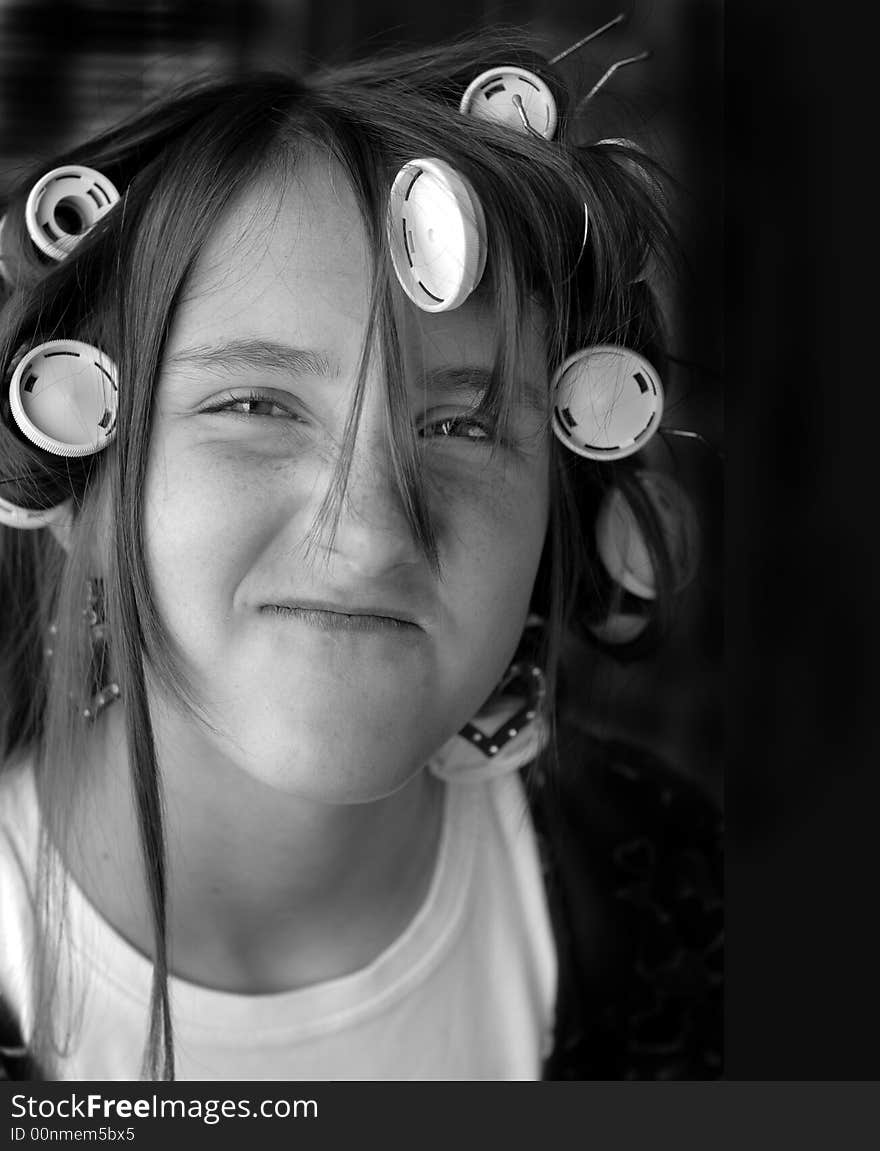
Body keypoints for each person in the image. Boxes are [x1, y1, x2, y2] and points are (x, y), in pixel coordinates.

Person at [0, 29, 721, 1082]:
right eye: (253, 404)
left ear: (556, 506)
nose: (372, 529)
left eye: (466, 425)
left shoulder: (684, 895)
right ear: (77, 485)